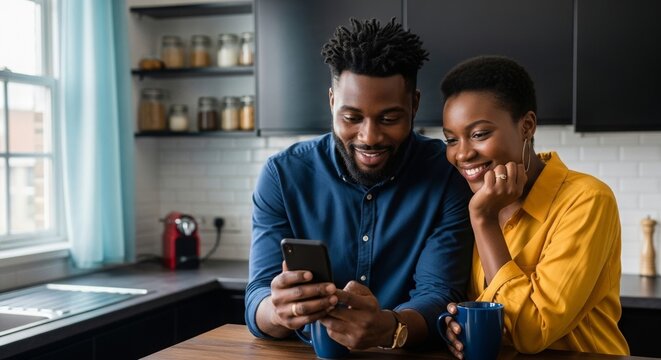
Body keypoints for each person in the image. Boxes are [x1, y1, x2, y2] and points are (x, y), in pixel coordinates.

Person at [245, 18, 474, 350]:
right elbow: (258, 296)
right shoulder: (283, 175)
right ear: (331, 102)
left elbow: (440, 294)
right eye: (351, 118)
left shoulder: (446, 175)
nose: (369, 137)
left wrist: (391, 327)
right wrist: (279, 311)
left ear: (414, 105)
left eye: (389, 118)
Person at [439, 55, 629, 356]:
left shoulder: (587, 200)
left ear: (526, 125)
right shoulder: (476, 200)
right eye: (451, 140)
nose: (462, 154)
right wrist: (459, 328)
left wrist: (484, 221)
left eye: (479, 134)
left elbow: (531, 331)